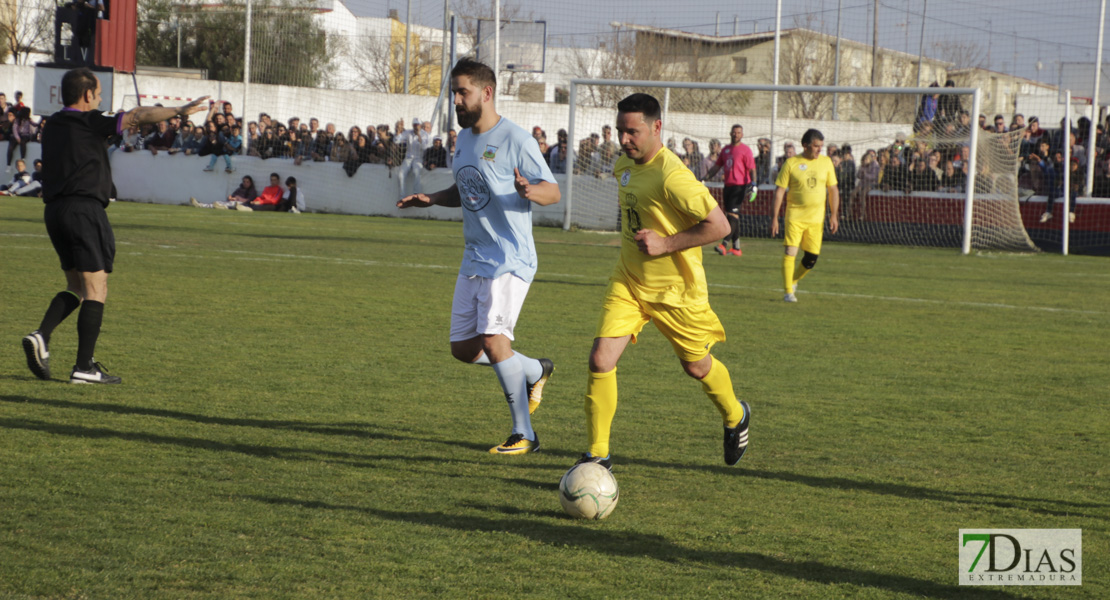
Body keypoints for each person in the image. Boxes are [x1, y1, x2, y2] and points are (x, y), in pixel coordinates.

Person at [574, 92, 749, 471]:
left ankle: (736, 415)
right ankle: (597, 454)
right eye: (621, 131)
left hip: (676, 292)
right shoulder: (624, 161)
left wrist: (666, 243)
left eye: (632, 132)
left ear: (657, 128)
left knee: (696, 367)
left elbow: (721, 226)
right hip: (630, 282)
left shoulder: (674, 176)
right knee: (601, 359)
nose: (624, 140)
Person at [396, 58, 560, 456]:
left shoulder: (516, 139)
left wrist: (528, 192)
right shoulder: (465, 140)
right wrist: (432, 199)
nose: (456, 99)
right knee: (465, 349)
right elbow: (466, 187)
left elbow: (552, 191)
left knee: (493, 338)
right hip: (475, 256)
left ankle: (525, 434)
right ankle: (536, 370)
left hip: (510, 257)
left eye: (462, 92)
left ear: (486, 93)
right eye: (454, 92)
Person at [21, 68, 209, 384]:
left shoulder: (53, 124)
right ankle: (84, 367)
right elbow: (137, 115)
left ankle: (41, 335)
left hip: (54, 211)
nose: (100, 99)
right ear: (86, 96)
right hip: (84, 210)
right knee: (96, 287)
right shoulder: (90, 121)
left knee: (77, 287)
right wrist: (180, 110)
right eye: (97, 94)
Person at [771, 128, 840, 303]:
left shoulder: (826, 163)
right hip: (795, 216)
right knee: (790, 251)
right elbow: (779, 191)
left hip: (816, 219)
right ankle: (788, 292)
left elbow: (833, 190)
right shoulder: (791, 163)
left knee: (811, 258)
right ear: (805, 146)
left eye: (821, 147)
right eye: (816, 146)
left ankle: (793, 280)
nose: (819, 150)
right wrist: (774, 218)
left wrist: (834, 216)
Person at [704, 123, 756, 257]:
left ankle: (724, 244)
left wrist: (754, 184)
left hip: (740, 186)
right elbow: (717, 166)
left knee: (732, 215)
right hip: (728, 186)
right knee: (733, 216)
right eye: (734, 132)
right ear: (730, 133)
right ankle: (737, 248)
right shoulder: (726, 150)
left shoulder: (745, 150)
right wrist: (705, 177)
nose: (736, 134)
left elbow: (752, 168)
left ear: (742, 135)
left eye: (738, 132)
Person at [398, 118, 429, 196]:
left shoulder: (425, 134)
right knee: (401, 174)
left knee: (417, 172)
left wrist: (419, 136)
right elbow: (397, 140)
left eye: (418, 125)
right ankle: (402, 196)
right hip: (408, 158)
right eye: (415, 125)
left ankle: (416, 194)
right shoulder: (408, 132)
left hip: (418, 158)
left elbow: (424, 147)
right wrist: (399, 131)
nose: (416, 127)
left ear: (421, 126)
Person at [190, 175, 258, 209]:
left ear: (251, 183)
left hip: (242, 204)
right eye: (244, 181)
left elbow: (248, 201)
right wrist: (231, 197)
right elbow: (231, 196)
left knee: (226, 204)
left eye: (247, 182)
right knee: (218, 202)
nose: (245, 183)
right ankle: (200, 204)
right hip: (233, 202)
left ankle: (202, 205)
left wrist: (238, 198)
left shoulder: (252, 191)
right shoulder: (239, 189)